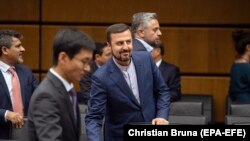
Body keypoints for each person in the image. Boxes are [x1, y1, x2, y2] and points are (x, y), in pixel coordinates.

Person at [85, 23, 170, 141]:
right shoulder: (101, 77)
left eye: (128, 42)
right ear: (109, 46)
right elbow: (94, 117)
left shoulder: (146, 59)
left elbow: (162, 91)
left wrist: (161, 116)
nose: (126, 47)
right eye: (120, 43)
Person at [25, 28, 95, 141]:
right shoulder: (46, 96)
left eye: (89, 63)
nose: (88, 69)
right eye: (84, 62)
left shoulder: (67, 90)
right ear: (63, 58)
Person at [0, 29, 38, 140]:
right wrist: (6, 114)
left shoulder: (26, 72)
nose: (23, 49)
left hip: (26, 135)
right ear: (5, 50)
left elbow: (40, 96)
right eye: (18, 46)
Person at [228, 30, 250, 103]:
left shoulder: (235, 65)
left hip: (237, 107)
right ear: (248, 47)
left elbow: (231, 93)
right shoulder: (247, 67)